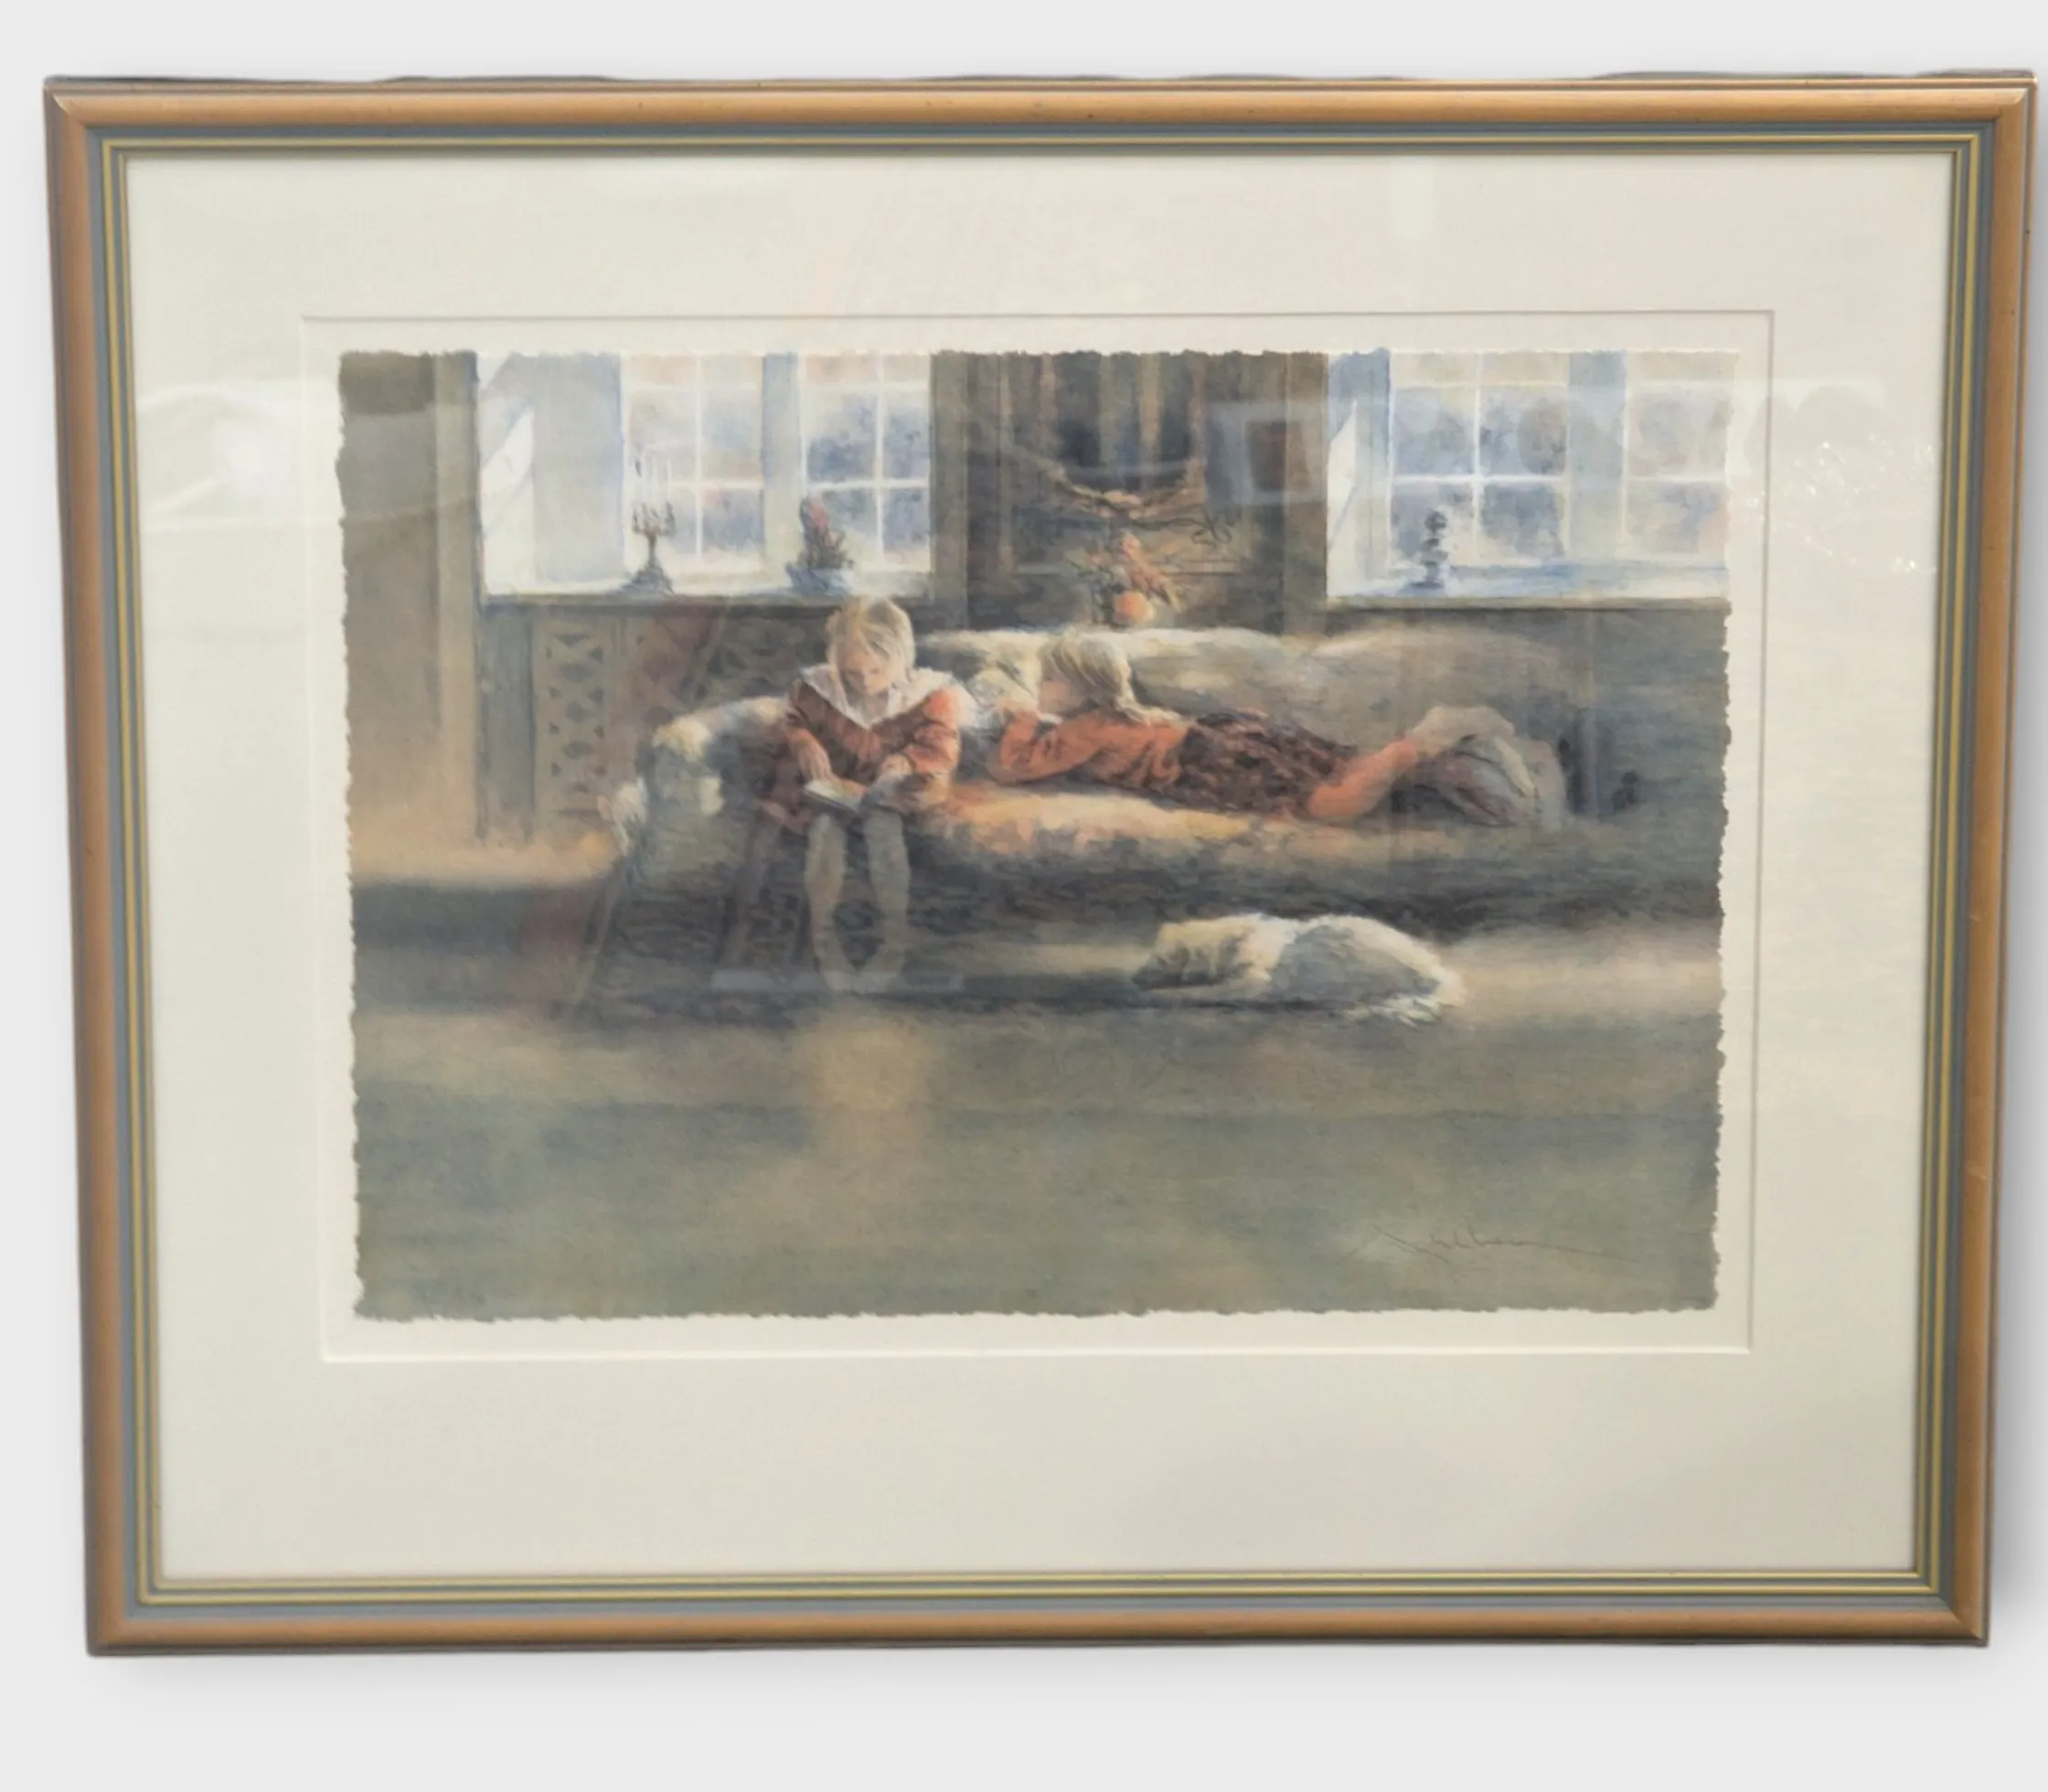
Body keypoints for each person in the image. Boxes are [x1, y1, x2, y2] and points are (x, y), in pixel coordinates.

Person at [987, 629, 1514, 825]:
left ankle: (1414, 746)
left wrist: (1021, 717)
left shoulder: (1081, 730)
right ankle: (1450, 763)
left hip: (1206, 760)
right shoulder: (1124, 715)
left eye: (1048, 679)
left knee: (1327, 805)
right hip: (1226, 733)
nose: (1041, 689)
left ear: (1083, 688)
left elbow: (1013, 769)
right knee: (1341, 766)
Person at [720, 598, 963, 987]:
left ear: (901, 657)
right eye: (852, 673)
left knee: (885, 836)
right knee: (824, 836)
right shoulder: (818, 689)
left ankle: (892, 943)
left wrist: (906, 760)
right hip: (831, 792)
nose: (864, 681)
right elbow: (791, 723)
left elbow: (941, 744)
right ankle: (824, 943)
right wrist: (803, 742)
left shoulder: (929, 695)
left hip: (889, 795)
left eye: (875, 670)